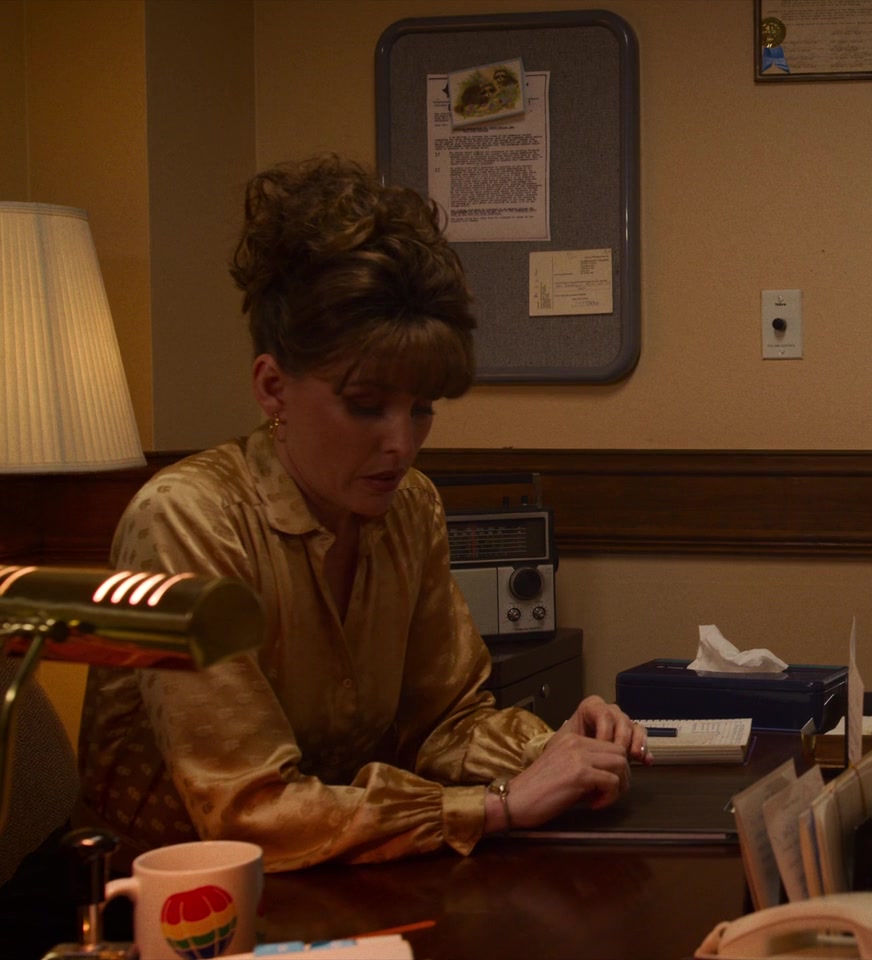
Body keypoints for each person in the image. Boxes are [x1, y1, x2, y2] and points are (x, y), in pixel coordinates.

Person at [78, 155, 646, 872]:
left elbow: (445, 722)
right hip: (160, 899)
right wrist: (497, 805)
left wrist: (559, 749)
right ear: (272, 387)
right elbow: (246, 810)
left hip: (332, 888)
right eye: (366, 406)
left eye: (422, 409)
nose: (401, 444)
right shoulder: (187, 521)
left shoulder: (410, 507)